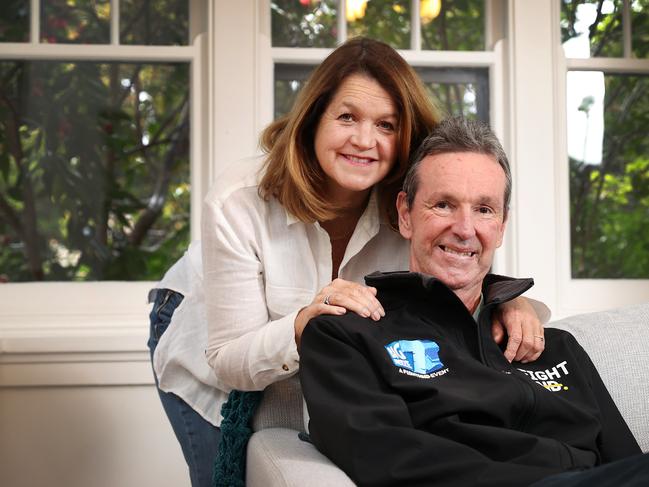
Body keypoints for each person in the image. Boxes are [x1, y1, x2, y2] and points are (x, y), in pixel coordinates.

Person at [147, 38, 549, 487]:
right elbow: (228, 358)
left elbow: (464, 267)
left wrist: (507, 303)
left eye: (386, 125)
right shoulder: (239, 199)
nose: (364, 140)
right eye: (346, 117)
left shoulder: (420, 202)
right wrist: (302, 324)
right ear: (313, 119)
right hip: (208, 342)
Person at [299, 117, 647, 487]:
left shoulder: (554, 348)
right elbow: (388, 461)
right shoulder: (346, 335)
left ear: (501, 225)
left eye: (484, 209)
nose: (465, 230)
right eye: (444, 205)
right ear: (406, 215)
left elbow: (624, 458)